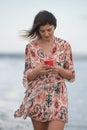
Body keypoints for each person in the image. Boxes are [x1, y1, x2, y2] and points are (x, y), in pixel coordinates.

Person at [14, 10, 75, 130]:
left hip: (58, 96)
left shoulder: (64, 45)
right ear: (37, 30)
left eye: (49, 30)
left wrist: (58, 69)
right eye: (42, 31)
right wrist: (37, 70)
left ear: (54, 27)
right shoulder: (31, 47)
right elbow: (28, 77)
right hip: (37, 96)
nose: (46, 34)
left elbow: (71, 75)